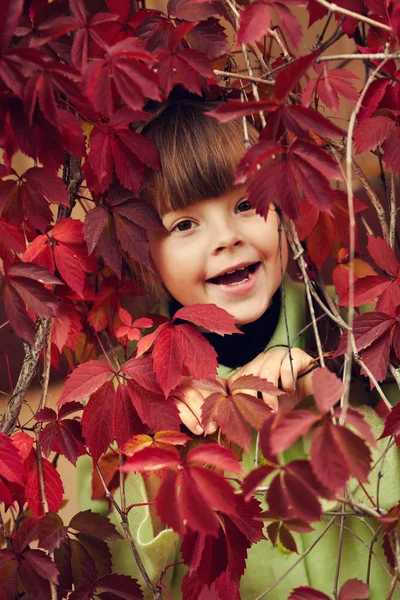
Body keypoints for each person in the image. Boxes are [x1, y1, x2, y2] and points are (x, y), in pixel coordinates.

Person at [78, 92, 400, 599]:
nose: (226, 238)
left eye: (246, 204)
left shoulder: (356, 330)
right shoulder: (125, 398)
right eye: (184, 224)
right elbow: (114, 576)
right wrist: (162, 464)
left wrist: (324, 407)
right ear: (142, 252)